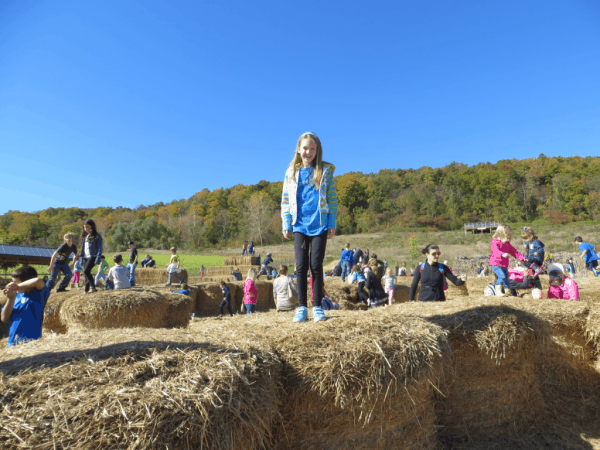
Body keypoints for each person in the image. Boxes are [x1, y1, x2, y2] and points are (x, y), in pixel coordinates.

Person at [281, 132, 337, 323]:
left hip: (319, 224)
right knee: (300, 266)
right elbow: (285, 200)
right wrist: (286, 222)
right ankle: (302, 307)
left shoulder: (324, 172)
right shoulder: (291, 173)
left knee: (316, 265)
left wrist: (332, 223)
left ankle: (318, 306)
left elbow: (332, 199)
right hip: (299, 225)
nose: (309, 152)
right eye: (305, 148)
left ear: (317, 151)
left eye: (313, 149)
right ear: (299, 149)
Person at [1, 266, 50, 347]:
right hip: (12, 343)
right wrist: (10, 299)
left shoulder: (39, 294)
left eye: (17, 282)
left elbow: (38, 281)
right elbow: (4, 318)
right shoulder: (15, 296)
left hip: (31, 342)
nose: (14, 285)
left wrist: (18, 286)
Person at [488, 224, 526, 296]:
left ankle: (507, 291)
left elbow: (514, 252)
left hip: (504, 264)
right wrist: (501, 254)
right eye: (507, 234)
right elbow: (494, 250)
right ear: (501, 233)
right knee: (502, 276)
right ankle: (498, 290)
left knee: (506, 278)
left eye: (510, 234)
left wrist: (522, 258)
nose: (509, 236)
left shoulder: (507, 244)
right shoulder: (495, 241)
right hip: (495, 263)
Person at [80, 219, 103, 294]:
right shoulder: (85, 237)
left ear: (92, 227)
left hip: (93, 256)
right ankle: (86, 289)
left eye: (87, 227)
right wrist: (81, 259)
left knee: (86, 271)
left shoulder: (97, 236)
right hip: (85, 257)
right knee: (86, 273)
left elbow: (100, 248)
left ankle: (93, 287)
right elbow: (82, 249)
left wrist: (98, 258)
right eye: (85, 227)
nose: (86, 229)